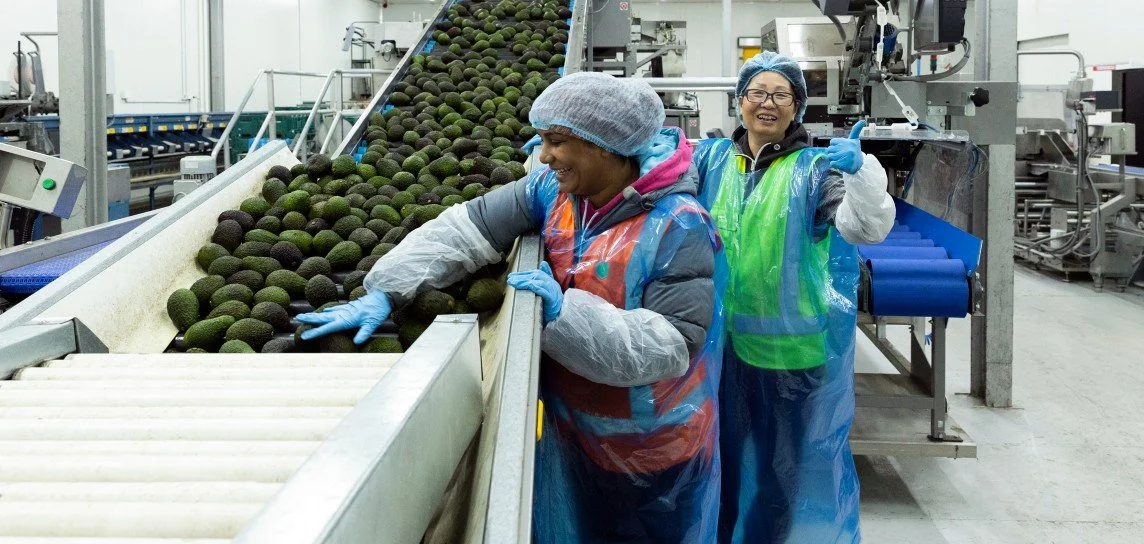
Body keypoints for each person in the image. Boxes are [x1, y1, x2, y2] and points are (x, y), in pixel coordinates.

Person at [299, 72, 725, 544]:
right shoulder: (555, 192)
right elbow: (467, 229)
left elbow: (672, 345)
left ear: (605, 145)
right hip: (573, 431)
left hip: (653, 449)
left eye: (556, 142)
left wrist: (568, 318)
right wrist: (386, 286)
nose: (543, 156)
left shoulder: (678, 225)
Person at [692, 51, 894, 544]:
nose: (768, 103)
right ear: (739, 102)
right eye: (757, 93)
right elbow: (652, 190)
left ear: (797, 108)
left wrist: (862, 176)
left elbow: (866, 228)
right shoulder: (710, 161)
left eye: (781, 95)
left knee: (776, 476)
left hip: (789, 356)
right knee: (715, 467)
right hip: (717, 350)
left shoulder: (815, 172)